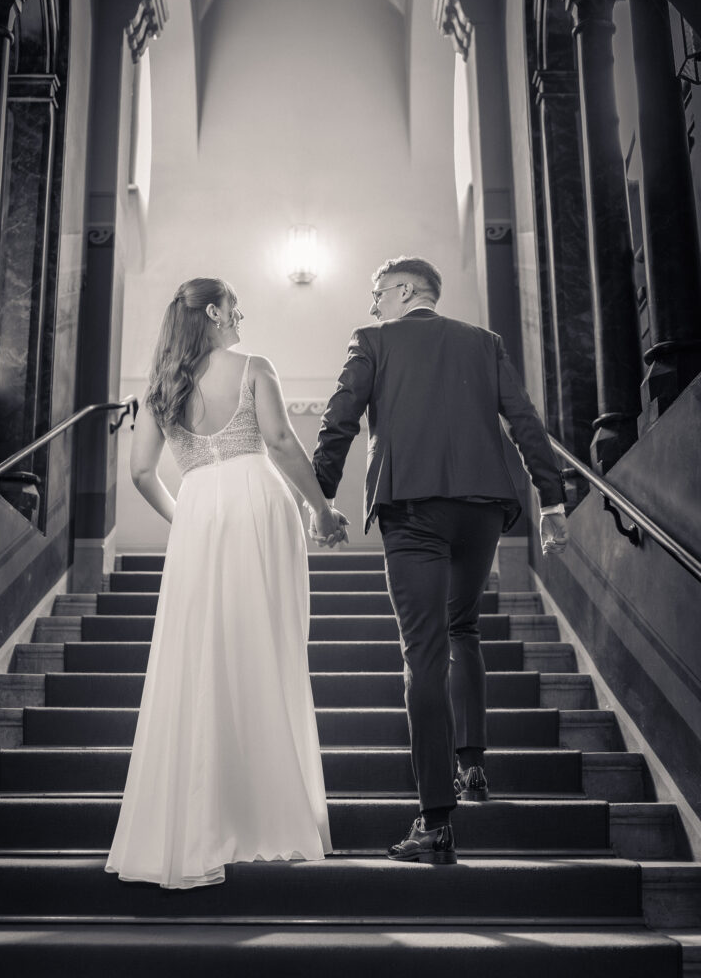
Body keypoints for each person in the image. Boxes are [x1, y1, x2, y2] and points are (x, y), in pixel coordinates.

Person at [310, 256, 568, 866]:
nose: (372, 305)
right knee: (464, 629)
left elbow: (338, 419)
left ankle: (435, 823)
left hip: (413, 507)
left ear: (404, 290)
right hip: (483, 506)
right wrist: (552, 500)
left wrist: (319, 497)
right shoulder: (484, 342)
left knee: (422, 651)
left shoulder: (370, 341)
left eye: (377, 293)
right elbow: (525, 420)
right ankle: (472, 768)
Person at [106, 277, 340, 888]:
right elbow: (284, 443)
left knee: (197, 657)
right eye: (235, 305)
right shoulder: (254, 366)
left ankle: (202, 815)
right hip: (258, 502)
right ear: (214, 311)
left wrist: (187, 515)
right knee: (266, 649)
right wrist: (320, 508)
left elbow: (138, 472)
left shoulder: (160, 385)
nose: (242, 314)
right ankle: (269, 814)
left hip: (199, 511)